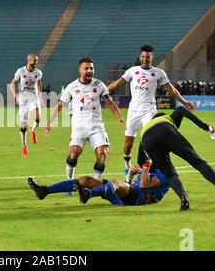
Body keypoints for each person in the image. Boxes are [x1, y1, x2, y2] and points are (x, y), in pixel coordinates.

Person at [107, 45, 195, 178]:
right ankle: (127, 167)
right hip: (134, 110)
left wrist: (185, 102)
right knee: (128, 143)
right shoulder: (132, 71)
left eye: (147, 57)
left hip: (149, 110)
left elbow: (172, 90)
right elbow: (116, 84)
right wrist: (103, 92)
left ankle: (151, 168)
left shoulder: (159, 73)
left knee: (150, 139)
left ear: (151, 58)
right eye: (143, 57)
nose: (145, 59)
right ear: (140, 58)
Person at [137, 106, 215, 210]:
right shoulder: (166, 118)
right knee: (198, 163)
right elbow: (180, 110)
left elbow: (140, 160)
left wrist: (153, 165)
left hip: (147, 140)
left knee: (170, 174)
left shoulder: (144, 131)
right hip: (165, 130)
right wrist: (204, 126)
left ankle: (183, 197)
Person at [45, 57, 127, 183]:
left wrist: (121, 119)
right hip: (79, 127)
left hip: (96, 126)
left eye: (91, 68)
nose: (89, 71)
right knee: (73, 154)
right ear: (80, 70)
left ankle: (96, 184)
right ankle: (69, 180)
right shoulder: (72, 87)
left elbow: (110, 103)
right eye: (86, 68)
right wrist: (50, 122)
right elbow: (60, 105)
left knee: (102, 154)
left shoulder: (99, 85)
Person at [28, 161, 170, 207]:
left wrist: (145, 166)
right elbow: (129, 186)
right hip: (128, 193)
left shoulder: (165, 173)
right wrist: (130, 176)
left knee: (114, 183)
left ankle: (88, 194)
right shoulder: (150, 170)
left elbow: (144, 187)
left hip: (140, 198)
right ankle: (45, 191)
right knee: (86, 180)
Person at [9, 53, 43, 156]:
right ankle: (24, 147)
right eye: (34, 61)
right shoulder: (21, 71)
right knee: (23, 126)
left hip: (34, 96)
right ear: (29, 61)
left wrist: (40, 96)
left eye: (37, 61)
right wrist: (16, 95)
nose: (36, 62)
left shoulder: (38, 73)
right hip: (23, 98)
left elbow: (39, 83)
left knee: (37, 118)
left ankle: (33, 129)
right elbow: (12, 84)